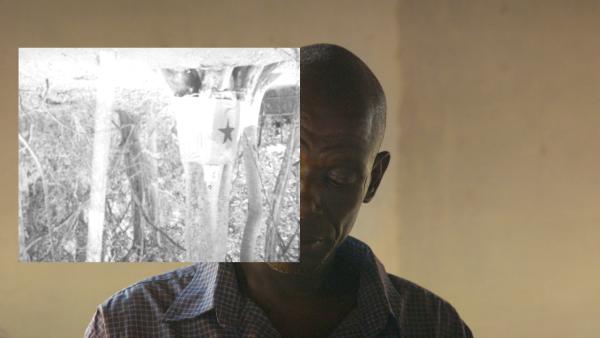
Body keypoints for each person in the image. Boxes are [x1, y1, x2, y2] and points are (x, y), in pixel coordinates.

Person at [84, 43, 473, 338]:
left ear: (373, 180)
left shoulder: (433, 326)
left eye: (337, 176)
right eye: (282, 167)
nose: (303, 203)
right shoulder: (131, 324)